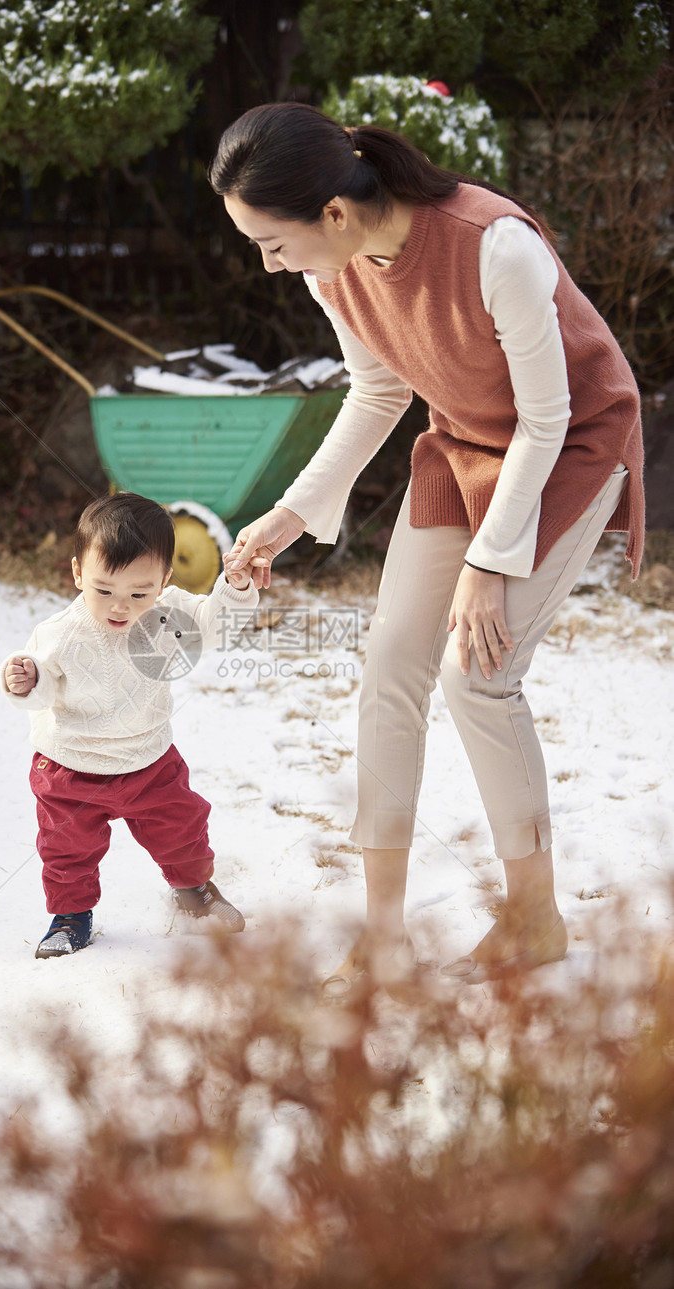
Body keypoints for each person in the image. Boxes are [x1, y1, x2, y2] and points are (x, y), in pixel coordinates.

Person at [210, 102, 644, 996]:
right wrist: (289, 515)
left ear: (333, 210)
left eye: (270, 241)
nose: (268, 262)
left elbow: (549, 416)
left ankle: (535, 916)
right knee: (391, 669)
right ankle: (381, 937)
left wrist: (490, 565)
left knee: (476, 675)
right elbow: (377, 393)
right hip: (463, 444)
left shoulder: (495, 246)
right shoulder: (330, 270)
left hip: (567, 443)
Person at [1, 492, 259, 958]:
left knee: (182, 827)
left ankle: (194, 890)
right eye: (104, 591)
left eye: (139, 593)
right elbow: (41, 687)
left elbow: (219, 625)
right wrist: (26, 680)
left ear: (164, 580)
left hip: (149, 760)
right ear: (79, 572)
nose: (120, 606)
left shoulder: (170, 612)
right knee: (67, 849)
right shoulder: (59, 632)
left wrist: (234, 586)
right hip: (71, 768)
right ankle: (70, 916)